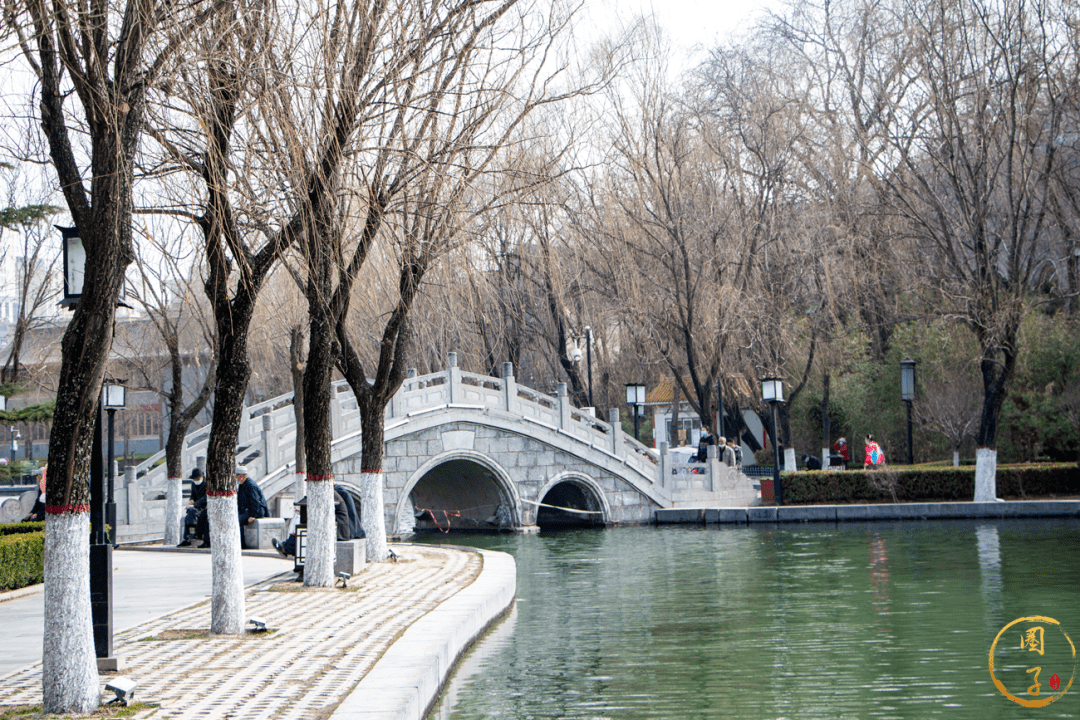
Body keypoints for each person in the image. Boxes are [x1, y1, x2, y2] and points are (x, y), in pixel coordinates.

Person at [273, 485, 364, 558]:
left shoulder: (331, 492)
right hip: (337, 527)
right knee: (304, 529)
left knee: (307, 529)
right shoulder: (335, 491)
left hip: (339, 531)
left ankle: (288, 549)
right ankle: (289, 548)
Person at [236, 465, 269, 548]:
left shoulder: (250, 485)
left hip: (256, 511)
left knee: (238, 521)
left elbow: (256, 502)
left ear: (240, 476)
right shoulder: (242, 485)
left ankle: (241, 544)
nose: (235, 479)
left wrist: (253, 516)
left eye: (236, 476)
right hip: (248, 510)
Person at [178, 467, 207, 547]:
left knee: (192, 512)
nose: (196, 481)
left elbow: (205, 498)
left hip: (203, 507)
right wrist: (191, 501)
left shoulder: (207, 484)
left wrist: (194, 505)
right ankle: (187, 538)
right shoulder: (193, 484)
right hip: (195, 506)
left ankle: (193, 535)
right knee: (188, 515)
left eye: (197, 479)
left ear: (201, 477)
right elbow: (192, 495)